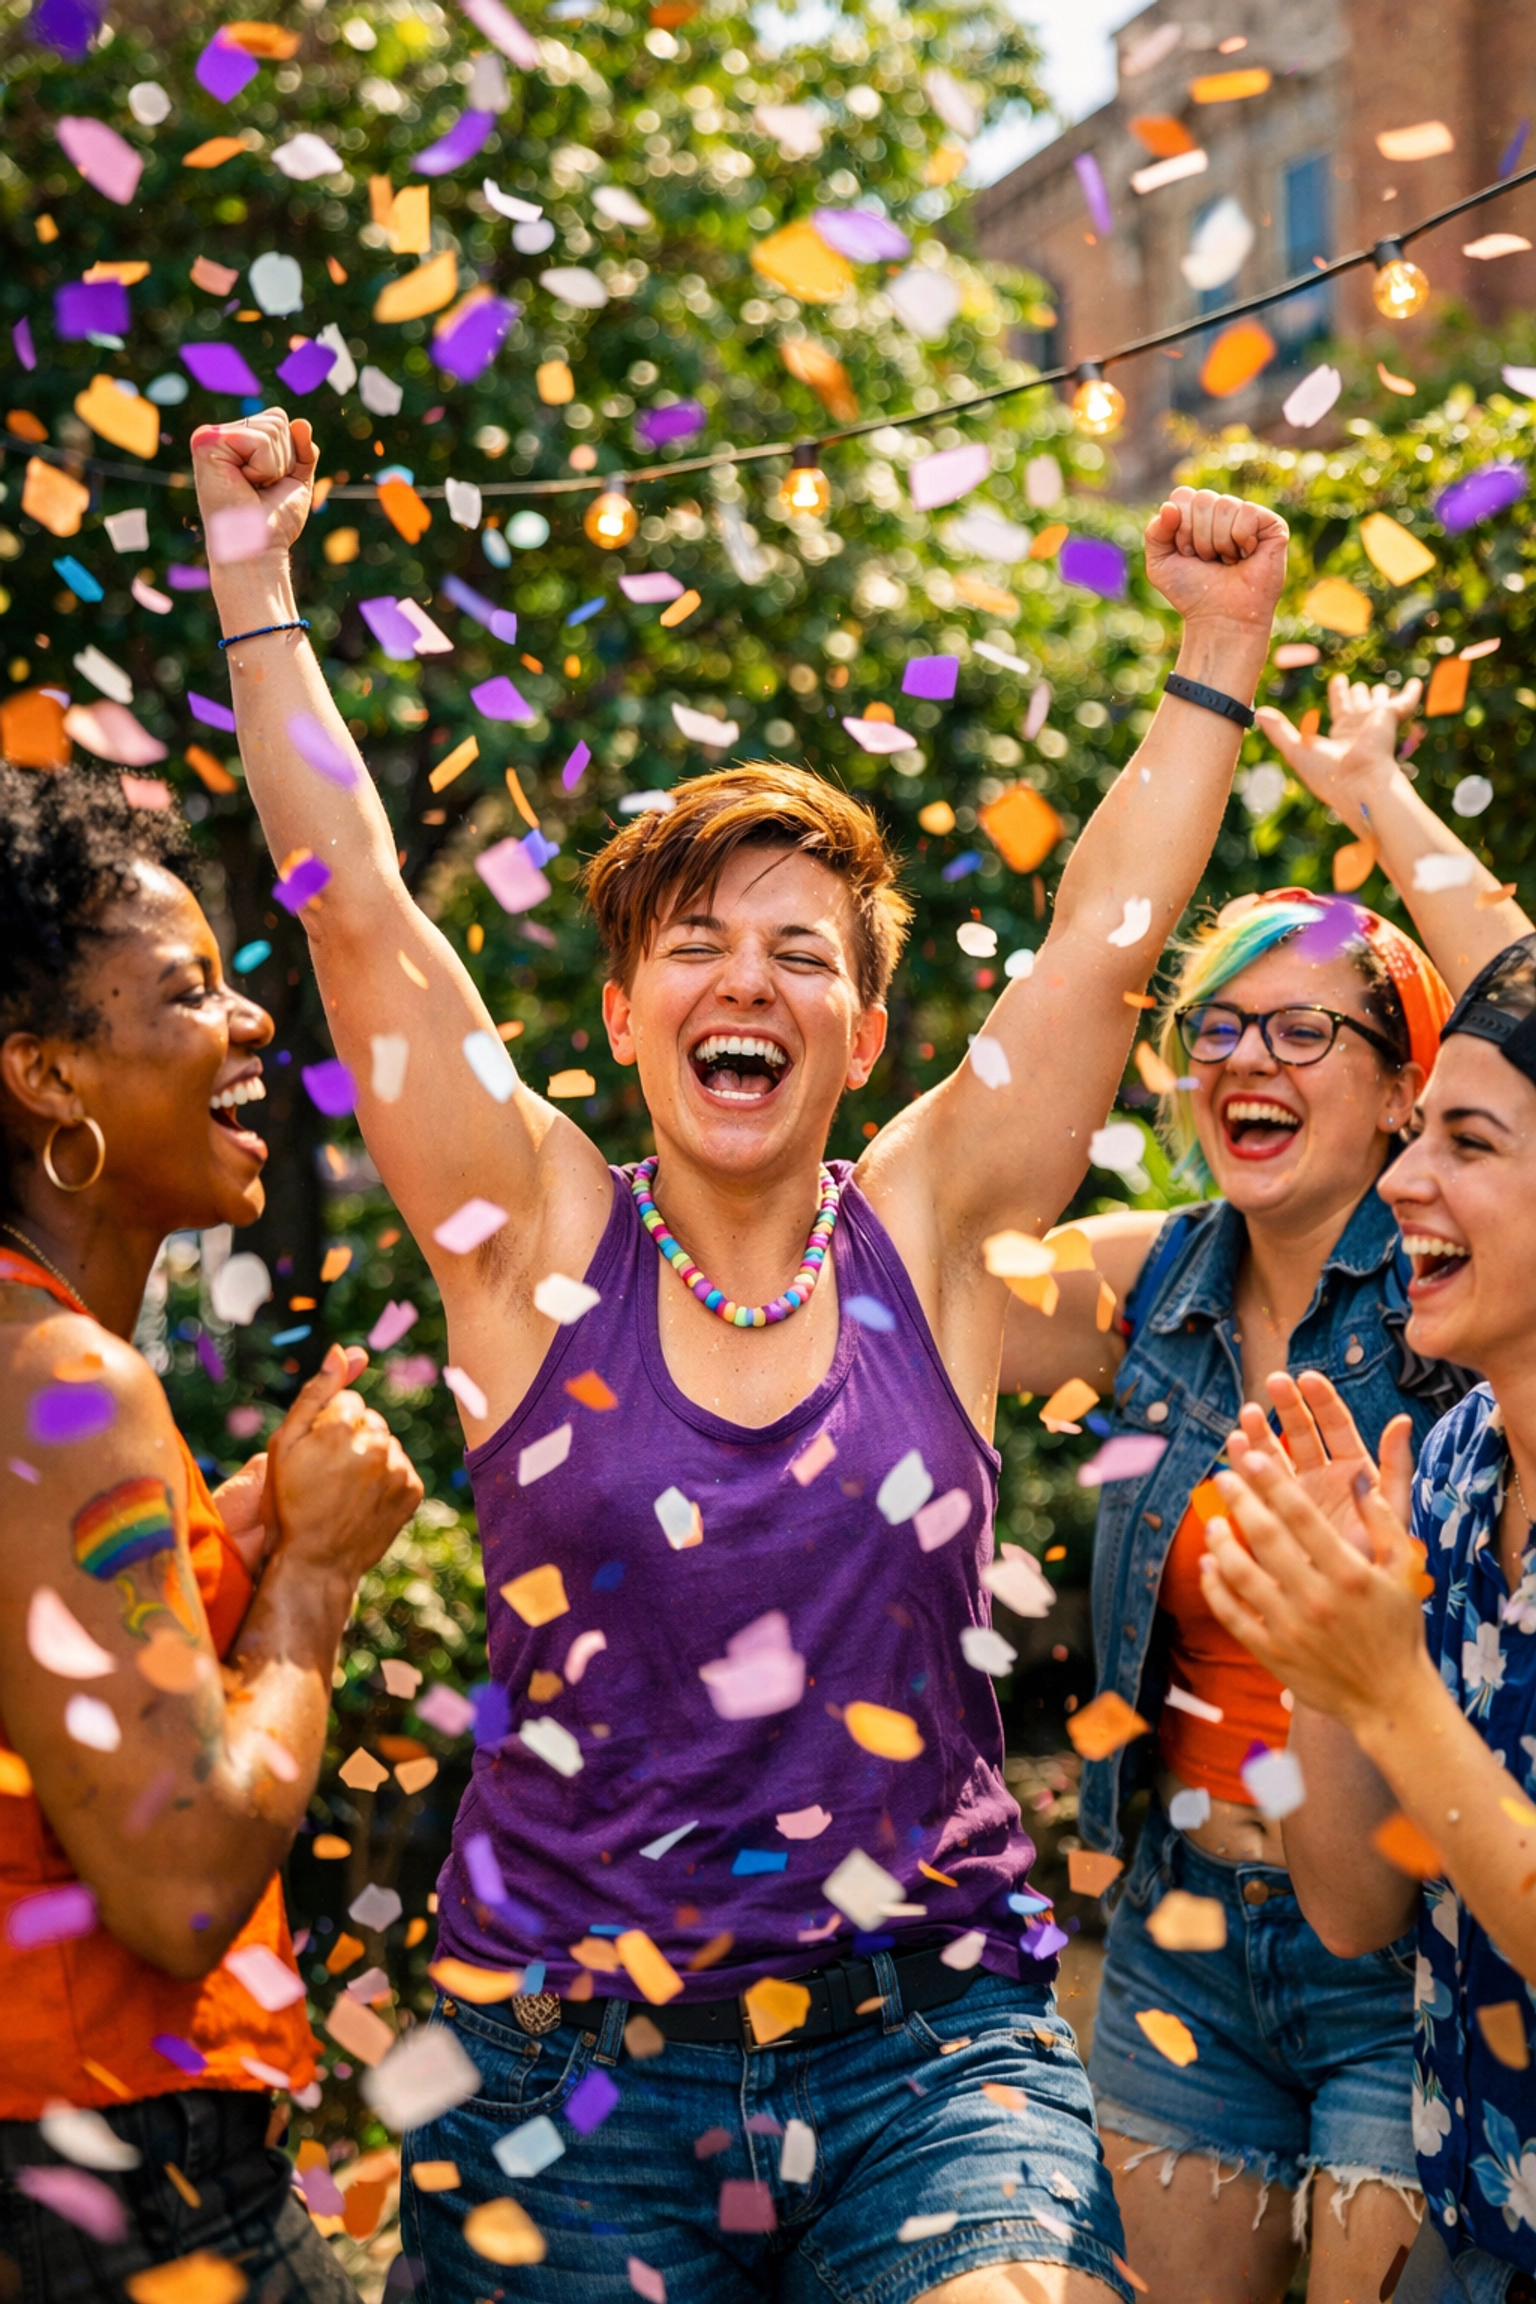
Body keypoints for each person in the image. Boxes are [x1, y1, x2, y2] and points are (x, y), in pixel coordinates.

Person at [191, 400, 1288, 2304]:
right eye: (699, 944)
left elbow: (1102, 959)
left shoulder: (933, 1231)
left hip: (930, 2048)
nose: (749, 982)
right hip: (547, 2070)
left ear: (863, 1034)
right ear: (625, 1014)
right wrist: (257, 585)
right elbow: (359, 927)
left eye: (804, 953)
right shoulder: (531, 1233)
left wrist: (1213, 661)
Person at [999, 679, 1531, 2304]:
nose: (1249, 1054)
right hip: (1178, 1927)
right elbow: (913, 1244)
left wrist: (1376, 790)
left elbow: (1522, 992)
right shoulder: (1141, 1284)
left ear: (1399, 1093)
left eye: (1305, 1029)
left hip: (1409, 1943)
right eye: (1217, 1025)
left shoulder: (1455, 1306)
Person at [0, 765, 423, 2301]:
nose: (251, 1024)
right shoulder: (59, 1384)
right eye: (188, 993)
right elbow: (179, 1880)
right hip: (123, 2191)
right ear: (47, 1077)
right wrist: (311, 1580)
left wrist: (223, 1556)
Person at [1200, 929, 1536, 2304]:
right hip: (1470, 2229)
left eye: (1469, 1140)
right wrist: (1322, 1661)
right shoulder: (1452, 1470)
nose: (1403, 1180)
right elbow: (1352, 1906)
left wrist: (1390, 1688)